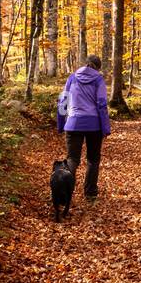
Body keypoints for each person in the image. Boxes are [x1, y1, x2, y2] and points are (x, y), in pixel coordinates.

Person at [56, 55, 111, 200]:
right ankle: (90, 193)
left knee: (72, 159)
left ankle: (63, 193)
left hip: (73, 124)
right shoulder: (98, 80)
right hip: (94, 126)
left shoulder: (72, 78)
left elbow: (62, 102)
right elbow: (102, 104)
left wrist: (61, 124)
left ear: (86, 63)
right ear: (98, 67)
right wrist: (105, 128)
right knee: (93, 159)